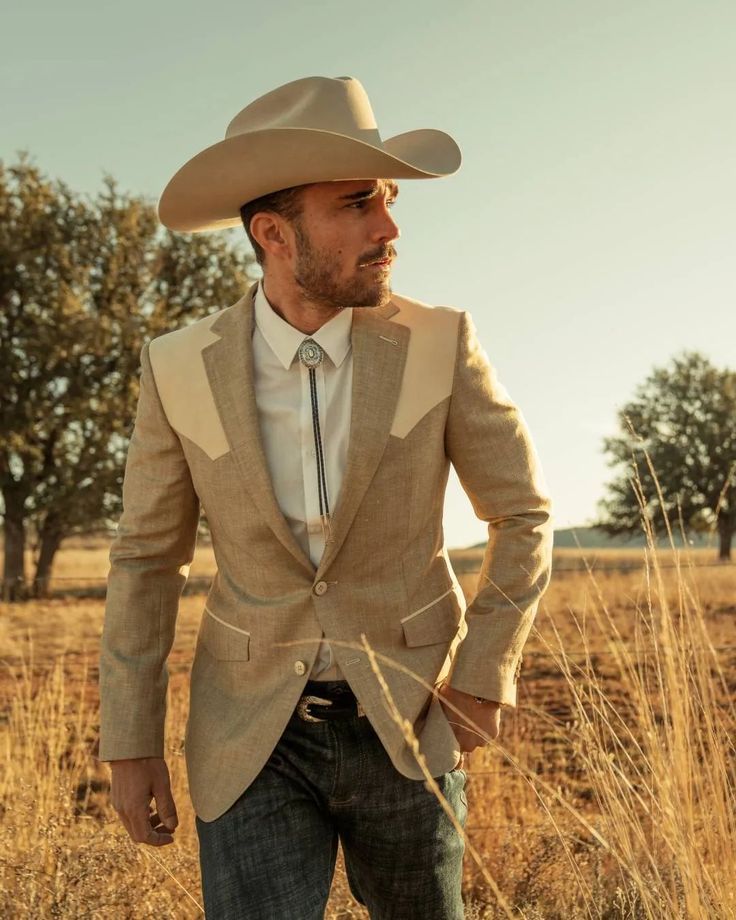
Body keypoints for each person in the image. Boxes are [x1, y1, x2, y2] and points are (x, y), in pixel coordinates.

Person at [99, 75, 553, 919]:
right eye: (357, 205)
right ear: (273, 233)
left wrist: (484, 680)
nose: (391, 227)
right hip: (247, 737)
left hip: (411, 722)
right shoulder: (175, 367)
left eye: (386, 200)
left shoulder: (439, 343)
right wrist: (130, 744)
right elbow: (145, 559)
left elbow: (522, 515)